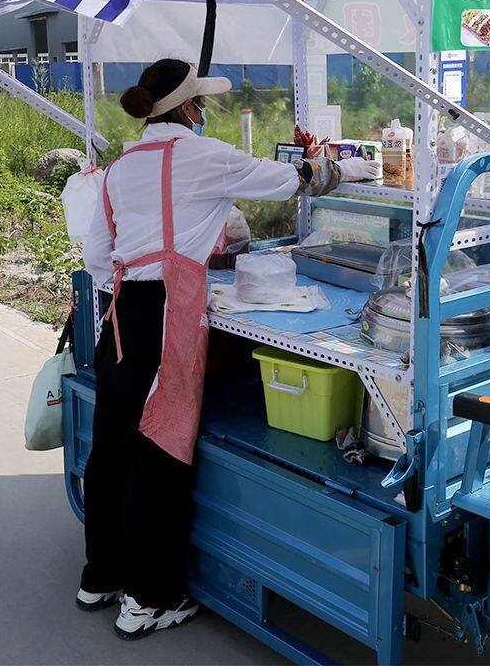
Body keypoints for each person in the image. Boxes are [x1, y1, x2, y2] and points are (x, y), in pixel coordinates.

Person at [78, 58, 379, 640]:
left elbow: (97, 257)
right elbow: (291, 181)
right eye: (200, 102)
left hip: (122, 313)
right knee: (159, 451)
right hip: (169, 312)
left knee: (112, 444)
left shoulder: (120, 168)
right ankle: (147, 600)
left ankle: (100, 575)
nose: (203, 110)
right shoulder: (204, 156)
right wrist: (338, 168)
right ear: (189, 108)